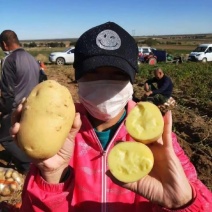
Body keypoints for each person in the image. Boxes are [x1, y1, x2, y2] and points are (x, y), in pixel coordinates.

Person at [11, 22, 211, 211]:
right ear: (78, 78)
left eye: (117, 74)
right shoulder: (58, 140)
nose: (104, 82)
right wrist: (52, 176)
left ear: (132, 80)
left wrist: (184, 203)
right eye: (94, 73)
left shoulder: (158, 142)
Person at [0, 30, 40, 173]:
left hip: (16, 107)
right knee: (24, 136)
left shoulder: (9, 60)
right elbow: (42, 80)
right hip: (32, 105)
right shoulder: (32, 58)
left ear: (4, 44)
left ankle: (28, 166)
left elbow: (8, 92)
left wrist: (4, 112)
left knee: (6, 138)